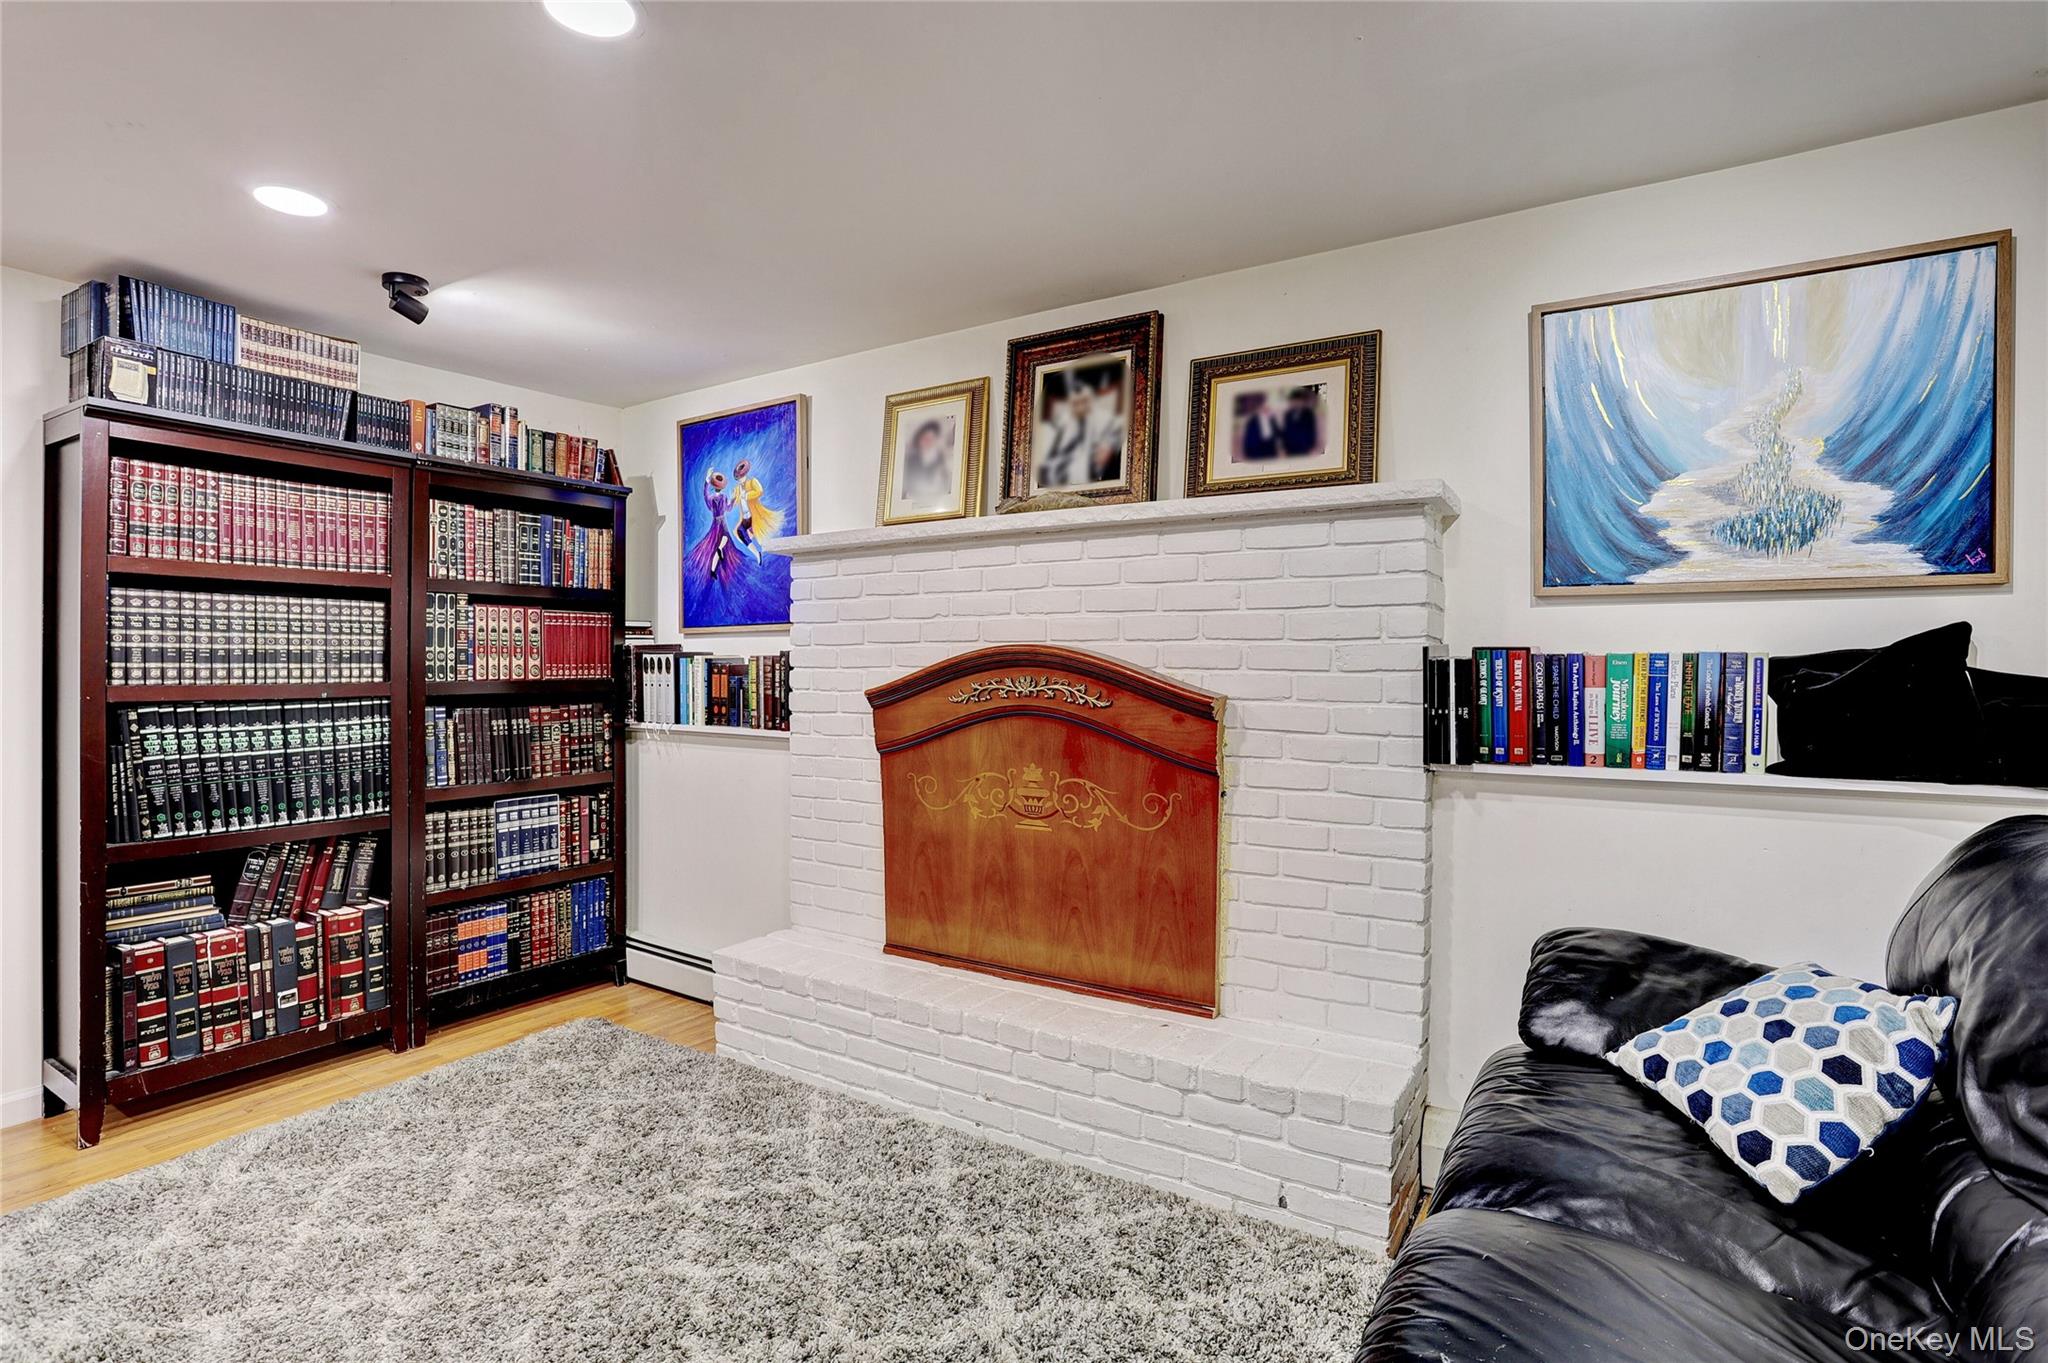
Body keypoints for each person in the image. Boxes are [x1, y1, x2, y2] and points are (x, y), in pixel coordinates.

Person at [685, 468, 741, 584]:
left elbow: (706, 497)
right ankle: (720, 549)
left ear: (714, 486)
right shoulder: (724, 498)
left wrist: (706, 482)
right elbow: (729, 508)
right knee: (724, 539)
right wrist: (734, 498)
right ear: (721, 487)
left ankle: (712, 570)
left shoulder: (711, 498)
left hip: (715, 522)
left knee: (714, 543)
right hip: (722, 521)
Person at [731, 458, 783, 562]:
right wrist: (733, 498)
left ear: (745, 474)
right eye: (738, 478)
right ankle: (756, 553)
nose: (740, 479)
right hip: (745, 518)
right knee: (739, 532)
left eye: (740, 477)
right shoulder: (737, 488)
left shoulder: (752, 482)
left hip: (754, 515)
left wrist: (746, 495)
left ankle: (756, 539)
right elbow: (734, 502)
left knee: (758, 534)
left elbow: (759, 491)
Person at [901, 419, 953, 501]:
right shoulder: (910, 460)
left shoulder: (941, 460)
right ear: (919, 438)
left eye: (931, 439)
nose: (927, 442)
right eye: (925, 438)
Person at [1280, 386, 1323, 457]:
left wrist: (1310, 447)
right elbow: (1285, 431)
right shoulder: (1288, 414)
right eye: (1293, 401)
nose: (1295, 403)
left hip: (1304, 448)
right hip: (1290, 449)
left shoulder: (1309, 414)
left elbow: (1312, 432)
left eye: (1297, 401)